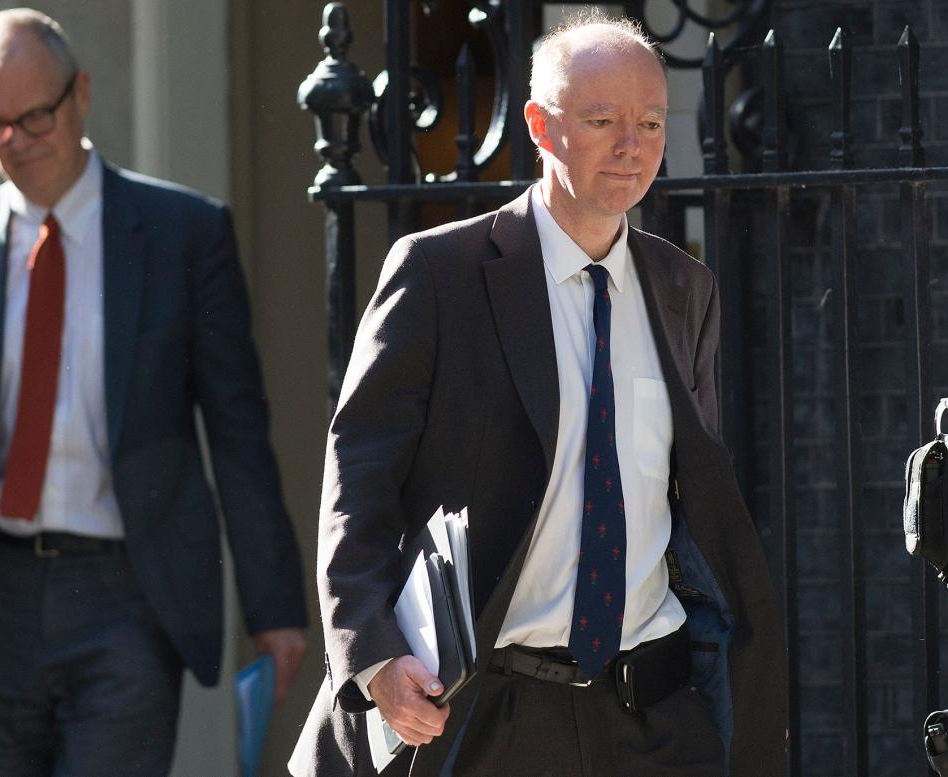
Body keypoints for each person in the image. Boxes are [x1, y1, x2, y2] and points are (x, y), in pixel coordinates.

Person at [290, 13, 784, 777]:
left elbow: (688, 504)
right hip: (490, 715)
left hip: (651, 715)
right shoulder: (437, 274)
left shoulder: (685, 290)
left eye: (651, 121)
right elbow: (358, 482)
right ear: (540, 127)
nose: (633, 143)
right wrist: (373, 654)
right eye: (602, 120)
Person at [0, 8, 306, 776]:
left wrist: (274, 608)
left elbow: (237, 431)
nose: (19, 142)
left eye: (36, 116)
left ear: (82, 95)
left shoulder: (183, 235)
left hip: (125, 593)